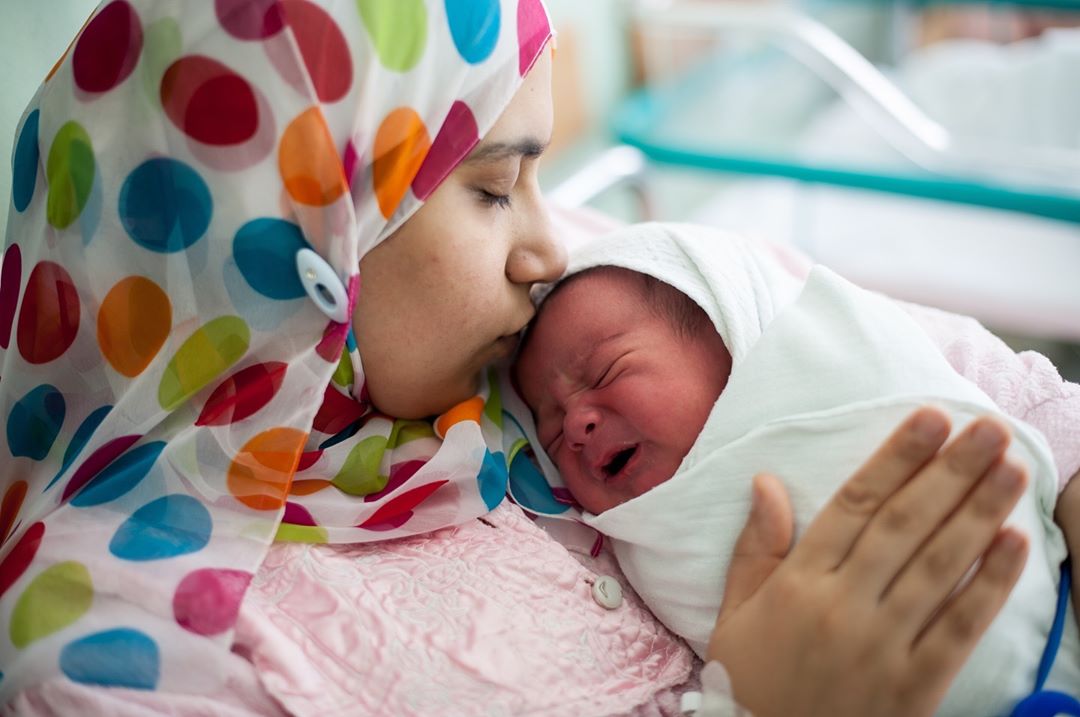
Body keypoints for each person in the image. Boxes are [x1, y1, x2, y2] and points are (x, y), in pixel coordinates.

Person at [0, 2, 1037, 715]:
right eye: (494, 190)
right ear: (305, 224)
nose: (550, 252)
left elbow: (951, 363)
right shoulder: (128, 667)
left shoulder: (524, 317)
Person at [512, 221, 1080, 715]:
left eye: (608, 371)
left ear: (734, 329)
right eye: (551, 432)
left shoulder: (844, 363)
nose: (577, 425)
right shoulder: (638, 551)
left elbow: (1033, 405)